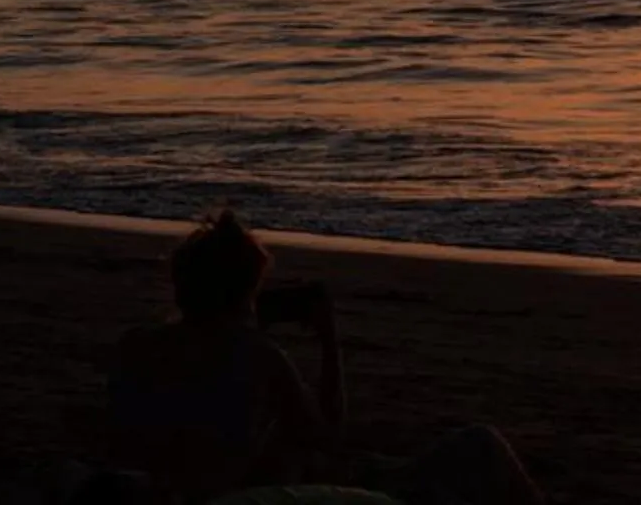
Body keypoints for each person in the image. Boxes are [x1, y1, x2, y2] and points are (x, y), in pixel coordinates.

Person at [94, 208, 542, 505]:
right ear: (242, 293)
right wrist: (328, 341)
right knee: (480, 447)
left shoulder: (135, 345)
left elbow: (137, 439)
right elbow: (327, 434)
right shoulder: (259, 356)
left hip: (171, 490)